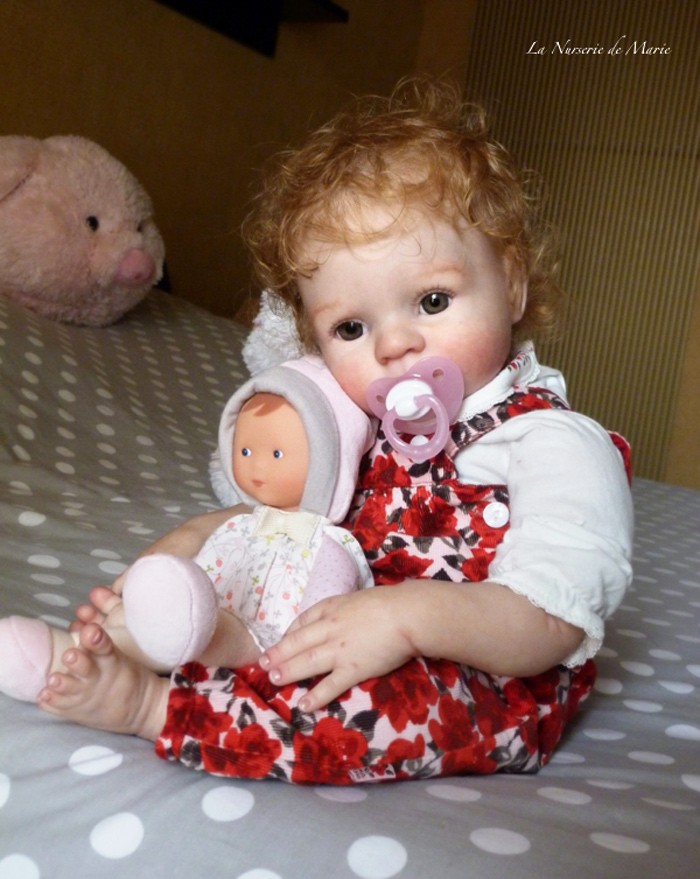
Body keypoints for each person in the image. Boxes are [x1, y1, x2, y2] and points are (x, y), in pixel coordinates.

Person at [1, 77, 633, 784]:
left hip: (482, 671)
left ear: (511, 284)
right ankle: (131, 638)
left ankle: (151, 704)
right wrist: (204, 537)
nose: (392, 344)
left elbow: (550, 623)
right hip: (341, 611)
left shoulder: (552, 442)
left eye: (431, 300)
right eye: (351, 327)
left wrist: (403, 620)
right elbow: (299, 515)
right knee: (248, 575)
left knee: (369, 705)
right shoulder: (365, 421)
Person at [0, 356, 374, 688]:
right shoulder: (240, 525)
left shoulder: (328, 546)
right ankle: (73, 651)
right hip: (205, 616)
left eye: (276, 453)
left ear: (328, 463)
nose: (256, 466)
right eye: (245, 450)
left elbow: (326, 608)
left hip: (261, 644)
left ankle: (105, 648)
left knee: (205, 631)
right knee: (150, 619)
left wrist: (303, 642)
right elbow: (210, 568)